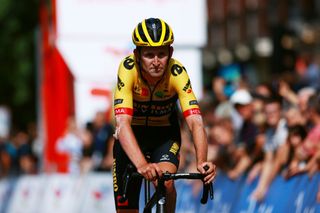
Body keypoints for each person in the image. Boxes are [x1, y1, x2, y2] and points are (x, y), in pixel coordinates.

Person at [112, 18, 216, 212]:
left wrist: (201, 161)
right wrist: (142, 164)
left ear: (170, 53)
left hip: (164, 136)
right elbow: (123, 124)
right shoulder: (128, 70)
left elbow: (195, 121)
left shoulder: (177, 73)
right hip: (133, 137)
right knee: (126, 209)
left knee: (166, 182)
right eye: (149, 55)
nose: (156, 62)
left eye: (161, 54)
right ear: (137, 55)